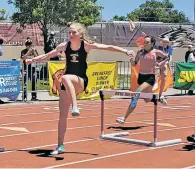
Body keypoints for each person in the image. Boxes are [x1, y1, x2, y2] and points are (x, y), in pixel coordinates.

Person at [24, 22, 135, 155]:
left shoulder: (86, 45)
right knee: (62, 116)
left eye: (73, 32)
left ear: (80, 33)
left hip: (80, 81)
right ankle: (60, 146)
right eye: (69, 32)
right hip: (68, 85)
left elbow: (107, 47)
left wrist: (125, 51)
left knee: (65, 78)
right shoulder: (64, 46)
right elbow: (47, 55)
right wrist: (33, 60)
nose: (70, 35)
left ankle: (75, 106)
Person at [116, 36, 169, 124]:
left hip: (150, 78)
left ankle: (124, 118)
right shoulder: (140, 52)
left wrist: (160, 63)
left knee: (135, 95)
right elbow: (134, 64)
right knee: (147, 100)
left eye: (147, 42)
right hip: (141, 77)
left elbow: (167, 57)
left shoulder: (156, 52)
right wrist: (132, 61)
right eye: (144, 42)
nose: (145, 44)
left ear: (152, 43)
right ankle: (158, 98)